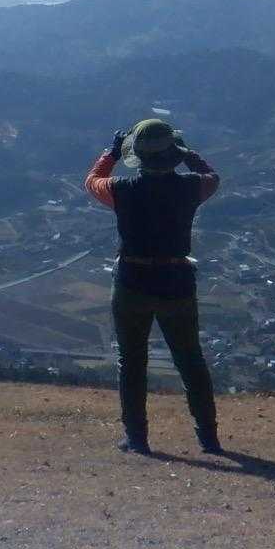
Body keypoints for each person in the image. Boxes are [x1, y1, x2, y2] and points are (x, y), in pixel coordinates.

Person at [85, 118, 222, 456]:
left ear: (138, 157)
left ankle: (137, 438)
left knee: (131, 361)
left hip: (132, 280)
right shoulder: (192, 187)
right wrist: (188, 154)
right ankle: (208, 438)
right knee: (190, 359)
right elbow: (212, 176)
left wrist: (111, 153)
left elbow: (92, 181)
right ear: (174, 153)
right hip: (177, 280)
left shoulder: (121, 189)